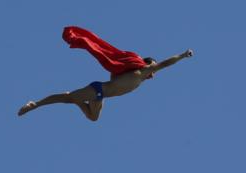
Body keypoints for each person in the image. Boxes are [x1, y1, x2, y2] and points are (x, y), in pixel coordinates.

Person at [18, 26, 193, 121]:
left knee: (93, 118)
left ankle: (78, 102)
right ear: (147, 65)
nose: (154, 73)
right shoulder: (141, 71)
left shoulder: (134, 76)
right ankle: (35, 104)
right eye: (153, 68)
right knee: (68, 98)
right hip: (99, 90)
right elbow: (166, 63)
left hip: (101, 96)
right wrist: (183, 55)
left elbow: (114, 74)